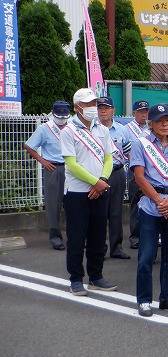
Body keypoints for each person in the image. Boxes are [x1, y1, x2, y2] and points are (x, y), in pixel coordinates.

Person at [129, 104, 168, 317]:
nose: (165, 124)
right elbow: (139, 177)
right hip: (150, 206)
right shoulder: (141, 145)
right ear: (151, 123)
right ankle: (144, 299)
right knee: (146, 255)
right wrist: (159, 202)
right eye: (160, 120)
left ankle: (167, 296)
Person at [61, 88, 118, 296]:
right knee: (76, 237)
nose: (93, 108)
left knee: (97, 235)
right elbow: (72, 164)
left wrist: (102, 181)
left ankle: (96, 276)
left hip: (99, 190)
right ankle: (75, 279)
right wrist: (96, 182)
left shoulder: (102, 129)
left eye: (94, 103)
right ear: (77, 107)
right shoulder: (68, 131)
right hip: (77, 192)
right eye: (87, 104)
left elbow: (108, 159)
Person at [23, 101, 71, 250]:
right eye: (59, 116)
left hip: (72, 168)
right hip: (53, 168)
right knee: (53, 205)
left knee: (73, 204)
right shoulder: (45, 128)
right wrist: (43, 161)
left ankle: (75, 237)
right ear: (53, 113)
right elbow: (29, 145)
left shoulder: (72, 127)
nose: (62, 120)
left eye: (64, 116)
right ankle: (55, 237)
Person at [97, 96, 131, 260]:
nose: (103, 110)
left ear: (113, 111)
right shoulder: (93, 129)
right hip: (98, 174)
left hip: (117, 173)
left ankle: (116, 248)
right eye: (100, 108)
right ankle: (100, 248)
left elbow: (129, 152)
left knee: (116, 212)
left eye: (106, 108)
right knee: (99, 212)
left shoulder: (122, 130)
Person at [124, 100, 150, 250]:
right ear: (134, 113)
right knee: (135, 204)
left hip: (152, 173)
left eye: (146, 112)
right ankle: (135, 237)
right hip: (135, 172)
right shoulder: (127, 129)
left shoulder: (151, 128)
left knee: (151, 204)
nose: (144, 114)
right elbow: (127, 152)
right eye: (140, 112)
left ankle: (151, 236)